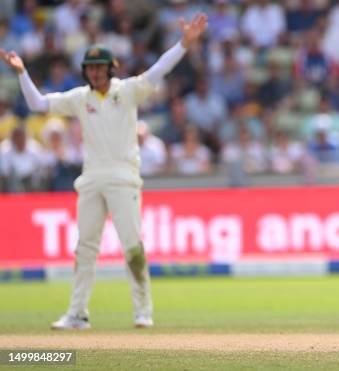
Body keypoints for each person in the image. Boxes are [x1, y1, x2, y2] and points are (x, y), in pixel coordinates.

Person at [0, 13, 208, 330]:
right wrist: (22, 72)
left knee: (132, 246)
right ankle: (77, 314)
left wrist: (183, 43)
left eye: (99, 67)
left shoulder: (127, 92)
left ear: (110, 69)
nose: (94, 72)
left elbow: (159, 69)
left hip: (124, 179)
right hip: (92, 179)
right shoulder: (80, 98)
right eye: (90, 68)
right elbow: (39, 105)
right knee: (85, 247)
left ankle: (143, 310)